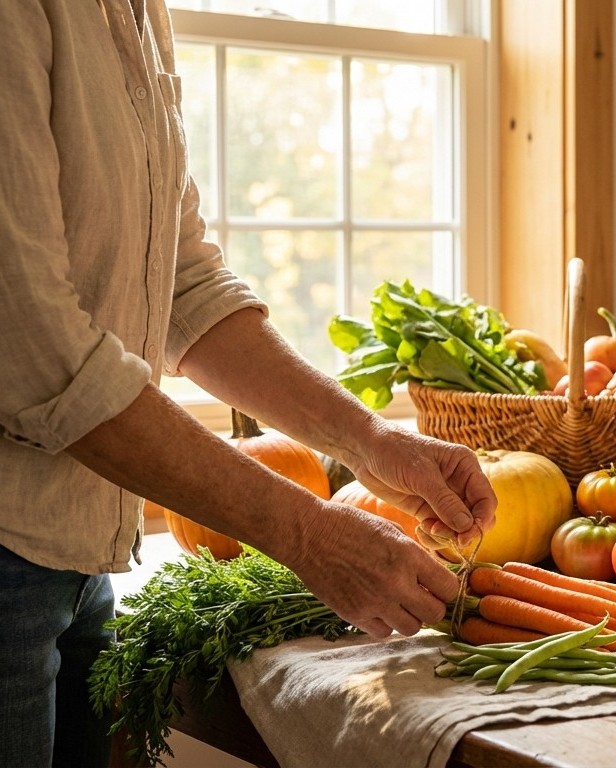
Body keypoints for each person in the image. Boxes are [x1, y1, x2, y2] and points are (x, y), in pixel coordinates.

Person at [0, 1, 499, 765]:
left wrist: (369, 440)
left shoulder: (137, 13)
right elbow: (39, 351)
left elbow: (185, 287)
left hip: (76, 557)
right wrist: (306, 534)